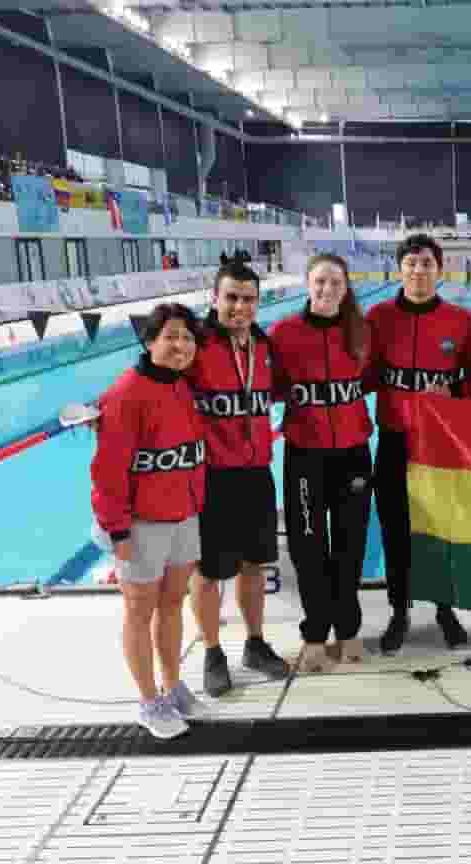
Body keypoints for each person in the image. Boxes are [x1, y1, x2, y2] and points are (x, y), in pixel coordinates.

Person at [367, 234, 471, 655]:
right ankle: (399, 610)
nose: (419, 271)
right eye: (411, 263)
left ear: (440, 270)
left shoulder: (462, 321)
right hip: (395, 441)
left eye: (426, 263)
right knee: (395, 530)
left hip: (441, 447)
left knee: (442, 531)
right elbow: (362, 375)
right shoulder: (377, 318)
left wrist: (455, 393)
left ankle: (445, 609)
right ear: (400, 269)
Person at [91, 303, 207, 739]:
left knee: (173, 602)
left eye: (188, 338)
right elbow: (107, 473)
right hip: (143, 523)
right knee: (139, 609)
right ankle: (147, 700)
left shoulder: (181, 386)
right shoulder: (126, 394)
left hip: (184, 515)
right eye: (171, 336)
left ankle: (172, 684)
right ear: (150, 340)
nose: (181, 346)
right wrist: (117, 529)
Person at [185, 262, 290, 698]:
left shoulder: (263, 347)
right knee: (208, 573)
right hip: (212, 477)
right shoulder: (196, 346)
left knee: (254, 565)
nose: (239, 307)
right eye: (231, 297)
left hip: (256, 474)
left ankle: (254, 643)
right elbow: (155, 383)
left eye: (248, 299)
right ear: (215, 299)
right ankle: (212, 652)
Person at [270, 255, 374, 673]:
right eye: (319, 281)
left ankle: (348, 630)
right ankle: (314, 635)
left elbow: (376, 379)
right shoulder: (284, 333)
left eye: (334, 282)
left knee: (350, 546)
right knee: (309, 547)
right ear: (307, 285)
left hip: (353, 453)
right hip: (305, 455)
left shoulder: (362, 332)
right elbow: (267, 387)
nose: (327, 289)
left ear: (345, 288)